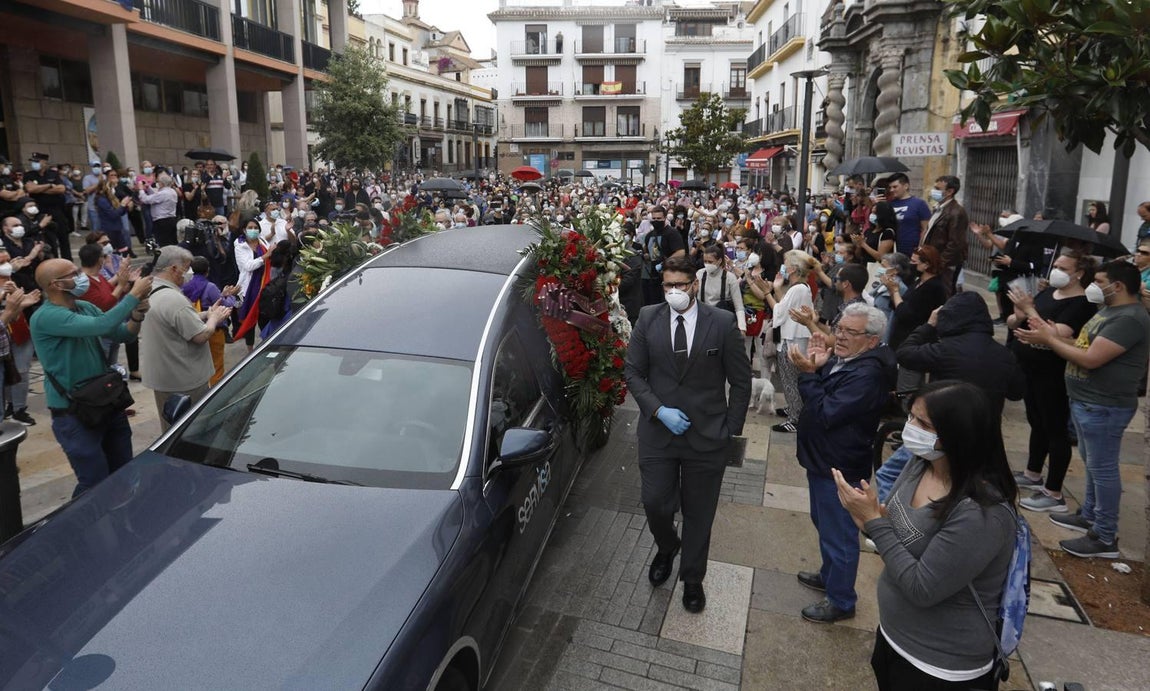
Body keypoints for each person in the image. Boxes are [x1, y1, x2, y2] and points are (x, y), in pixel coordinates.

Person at [835, 381, 1017, 691]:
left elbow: (923, 588)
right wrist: (868, 519)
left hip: (939, 666)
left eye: (923, 423)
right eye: (911, 417)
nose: (910, 428)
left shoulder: (981, 512)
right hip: (895, 639)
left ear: (959, 435)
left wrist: (875, 524)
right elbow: (893, 529)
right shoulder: (921, 464)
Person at [623, 255, 751, 614]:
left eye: (680, 285)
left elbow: (740, 383)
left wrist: (730, 432)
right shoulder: (649, 318)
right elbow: (633, 372)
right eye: (668, 285)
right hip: (658, 433)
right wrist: (658, 410)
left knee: (699, 513)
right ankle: (667, 546)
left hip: (707, 436)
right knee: (655, 503)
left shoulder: (722, 323)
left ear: (694, 284)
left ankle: (692, 578)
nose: (674, 291)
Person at [1015, 260, 1150, 558]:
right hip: (1087, 401)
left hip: (1104, 405)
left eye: (1099, 280)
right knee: (1093, 465)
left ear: (1117, 286)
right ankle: (1088, 514)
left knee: (1103, 470)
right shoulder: (1109, 311)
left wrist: (1049, 339)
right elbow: (1082, 343)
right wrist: (1049, 336)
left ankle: (1104, 536)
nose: (1094, 285)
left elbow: (1090, 359)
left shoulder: (1128, 318)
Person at [789, 303, 896, 624]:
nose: (841, 337)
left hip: (840, 464)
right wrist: (820, 367)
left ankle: (841, 599)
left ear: (872, 340)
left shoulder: (868, 374)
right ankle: (829, 575)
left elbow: (826, 412)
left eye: (852, 332)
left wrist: (808, 375)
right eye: (840, 329)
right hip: (824, 458)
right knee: (823, 521)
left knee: (840, 533)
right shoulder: (851, 360)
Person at [31, 258, 153, 497]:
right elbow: (102, 324)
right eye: (73, 273)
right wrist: (132, 295)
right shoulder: (46, 317)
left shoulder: (84, 307)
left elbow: (122, 334)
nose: (81, 276)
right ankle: (84, 528)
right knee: (93, 484)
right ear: (56, 284)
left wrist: (137, 316)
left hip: (105, 401)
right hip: (74, 411)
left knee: (123, 473)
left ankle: (120, 523)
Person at [1008, 250, 1097, 513]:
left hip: (1053, 372)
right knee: (1037, 422)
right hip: (1029, 368)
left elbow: (1057, 333)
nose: (1055, 270)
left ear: (1078, 273)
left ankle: (1054, 491)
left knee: (1055, 428)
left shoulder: (1081, 303)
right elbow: (1017, 321)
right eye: (1055, 265)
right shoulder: (1048, 293)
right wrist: (1018, 313)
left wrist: (1028, 309)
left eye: (1062, 267)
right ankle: (1033, 472)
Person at [139, 246, 232, 432]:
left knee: (170, 424)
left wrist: (206, 313)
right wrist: (214, 319)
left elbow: (177, 321)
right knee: (191, 429)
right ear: (173, 268)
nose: (188, 274)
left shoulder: (149, 289)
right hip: (183, 379)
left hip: (163, 376)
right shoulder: (174, 299)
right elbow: (201, 335)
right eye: (186, 267)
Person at [762, 250, 816, 433]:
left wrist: (767, 292)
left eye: (785, 263)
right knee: (791, 378)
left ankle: (795, 417)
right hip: (795, 338)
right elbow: (785, 306)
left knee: (790, 379)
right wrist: (776, 289)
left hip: (791, 339)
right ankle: (793, 408)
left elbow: (778, 313)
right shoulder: (801, 288)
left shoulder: (798, 288)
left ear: (792, 268)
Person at [182, 256, 239, 386]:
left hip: (194, 329)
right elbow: (224, 306)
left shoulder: (186, 287)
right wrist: (230, 296)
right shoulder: (210, 287)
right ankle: (215, 392)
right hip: (213, 330)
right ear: (207, 271)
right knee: (216, 365)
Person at [922, 176, 968, 292]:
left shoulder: (956, 212)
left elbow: (956, 243)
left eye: (938, 188)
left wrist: (940, 263)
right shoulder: (938, 209)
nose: (934, 191)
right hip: (932, 261)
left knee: (945, 292)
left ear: (950, 191)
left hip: (945, 265)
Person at [695, 244, 746, 333]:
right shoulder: (699, 274)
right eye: (705, 261)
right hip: (702, 319)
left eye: (710, 262)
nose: (707, 264)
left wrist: (742, 328)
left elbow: (738, 305)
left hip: (722, 322)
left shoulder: (730, 278)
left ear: (719, 261)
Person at [885, 173, 932, 257]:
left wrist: (920, 248)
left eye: (895, 187)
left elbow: (926, 229)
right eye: (890, 187)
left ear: (906, 186)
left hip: (912, 252)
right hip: (892, 251)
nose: (891, 190)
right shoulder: (889, 204)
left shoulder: (919, 204)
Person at [138, 173, 180, 246]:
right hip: (171, 219)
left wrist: (141, 190)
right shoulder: (172, 191)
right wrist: (149, 188)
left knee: (164, 242)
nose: (157, 183)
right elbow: (156, 195)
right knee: (172, 241)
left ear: (162, 183)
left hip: (162, 221)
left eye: (158, 182)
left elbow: (146, 199)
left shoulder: (163, 193)